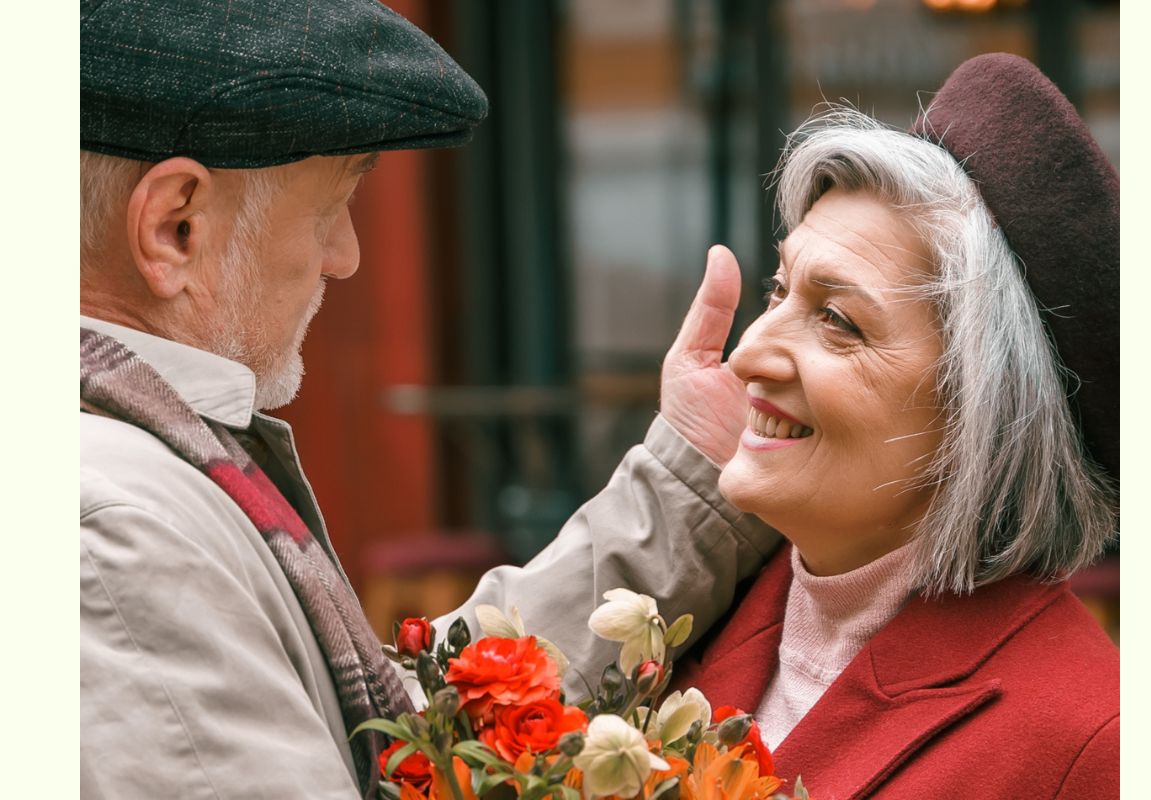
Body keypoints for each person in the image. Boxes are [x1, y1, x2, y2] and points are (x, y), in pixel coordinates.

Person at [79, 2, 775, 797]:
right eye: (331, 205)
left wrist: (688, 480)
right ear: (177, 227)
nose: (345, 256)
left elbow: (388, 733)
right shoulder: (108, 531)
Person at [659, 54, 1118, 799]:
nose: (748, 355)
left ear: (983, 414)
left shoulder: (1096, 744)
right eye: (779, 290)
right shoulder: (684, 615)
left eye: (837, 320)